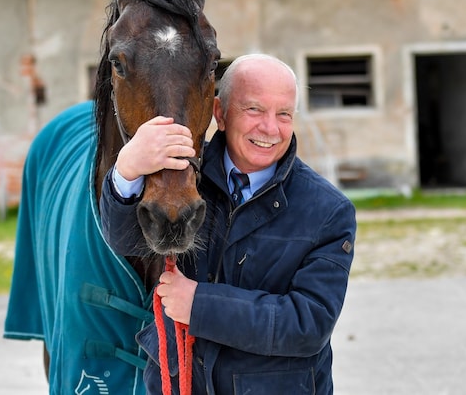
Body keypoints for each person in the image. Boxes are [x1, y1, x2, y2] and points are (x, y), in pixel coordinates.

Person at [100, 54, 357, 394]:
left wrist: (198, 304)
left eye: (283, 114)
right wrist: (127, 169)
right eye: (254, 109)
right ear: (219, 114)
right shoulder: (180, 180)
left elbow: (308, 324)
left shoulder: (328, 210)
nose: (270, 128)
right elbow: (126, 242)